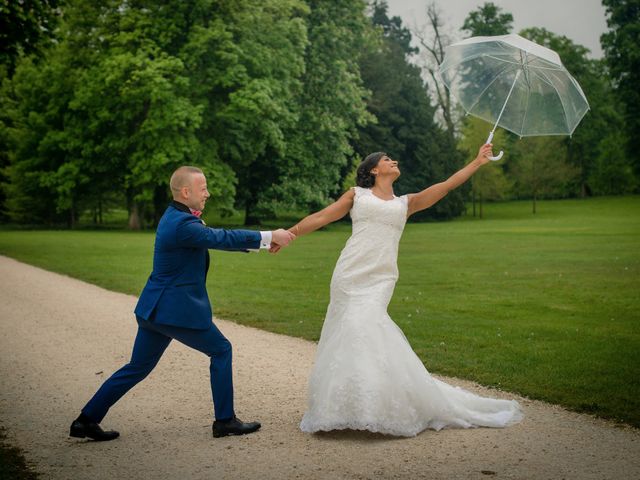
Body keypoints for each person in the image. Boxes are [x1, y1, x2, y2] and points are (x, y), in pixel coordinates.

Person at [283, 144, 524, 437]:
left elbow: (446, 186)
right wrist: (290, 234)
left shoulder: (405, 204)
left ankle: (375, 406)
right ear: (373, 169)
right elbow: (322, 217)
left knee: (365, 326)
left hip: (380, 279)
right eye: (387, 159)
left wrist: (476, 162)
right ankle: (346, 407)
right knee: (348, 333)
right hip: (349, 274)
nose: (394, 161)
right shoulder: (356, 195)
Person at [70, 166, 295, 441]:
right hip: (173, 311)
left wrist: (260, 244)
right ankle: (225, 420)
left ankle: (86, 420)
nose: (208, 194)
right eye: (203, 189)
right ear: (186, 191)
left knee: (137, 367)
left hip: (154, 310)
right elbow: (219, 237)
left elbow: (211, 239)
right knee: (221, 350)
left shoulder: (174, 217)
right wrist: (269, 236)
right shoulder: (182, 223)